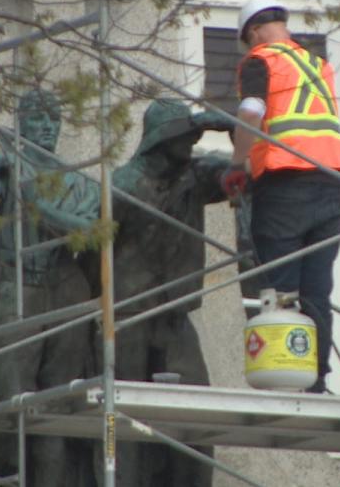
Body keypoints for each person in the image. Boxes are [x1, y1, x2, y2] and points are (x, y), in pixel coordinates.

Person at [0, 88, 100, 486]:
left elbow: (91, 232)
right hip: (18, 285)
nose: (47, 127)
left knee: (57, 405)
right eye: (37, 118)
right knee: (11, 401)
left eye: (53, 119)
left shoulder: (80, 182)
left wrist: (40, 205)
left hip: (67, 288)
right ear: (20, 123)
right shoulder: (5, 170)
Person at [91, 98, 233, 487]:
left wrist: (236, 124)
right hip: (127, 316)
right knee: (123, 421)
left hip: (173, 316)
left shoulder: (195, 176)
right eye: (184, 136)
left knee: (195, 413)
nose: (191, 144)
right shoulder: (124, 182)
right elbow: (88, 246)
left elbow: (245, 175)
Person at [225, 0, 340, 393]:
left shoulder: (260, 60)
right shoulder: (318, 65)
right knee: (317, 288)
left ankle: (283, 378)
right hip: (332, 182)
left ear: (254, 31)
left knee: (280, 287)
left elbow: (250, 112)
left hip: (284, 182)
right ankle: (316, 382)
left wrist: (237, 162)